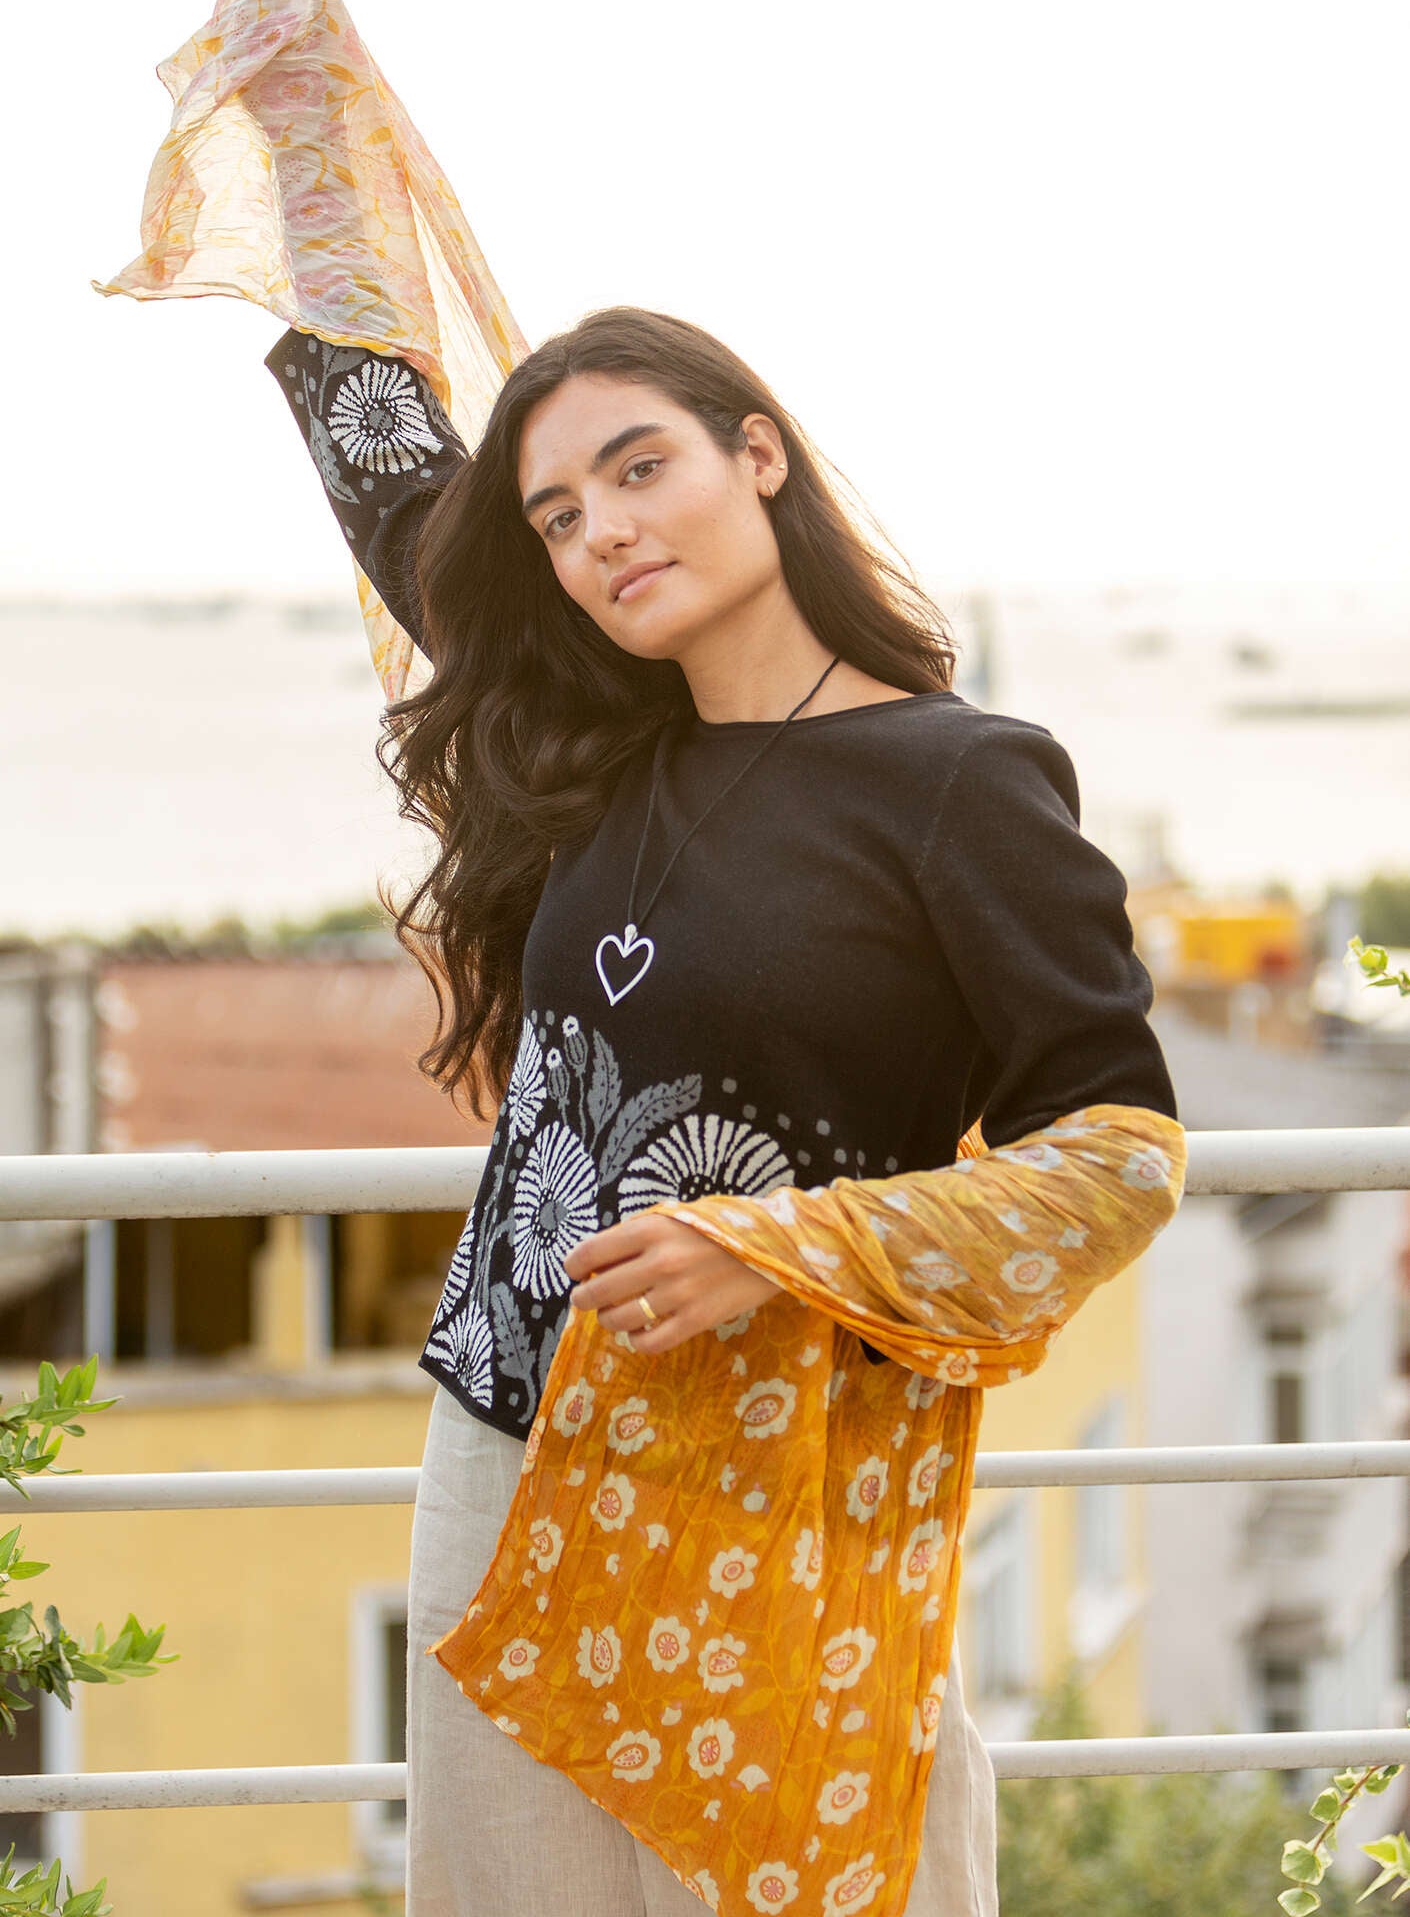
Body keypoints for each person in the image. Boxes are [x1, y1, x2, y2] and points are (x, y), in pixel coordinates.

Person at [264, 307, 1180, 1915]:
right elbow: (404, 496)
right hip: (501, 1441)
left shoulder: (959, 780)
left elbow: (1120, 1159)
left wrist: (775, 1245)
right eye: (558, 516)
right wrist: (308, 192)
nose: (602, 533)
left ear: (758, 455)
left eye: (639, 470)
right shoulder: (596, 743)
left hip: (771, 1475)